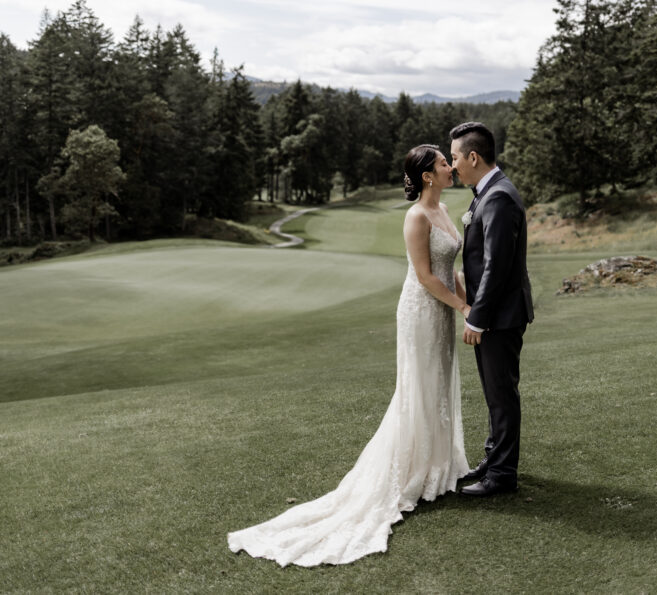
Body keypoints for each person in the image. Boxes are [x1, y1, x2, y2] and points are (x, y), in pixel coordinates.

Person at [227, 144, 470, 567]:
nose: (451, 167)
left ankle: (438, 464)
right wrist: (463, 308)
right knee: (419, 385)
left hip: (443, 310)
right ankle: (414, 471)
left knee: (439, 380)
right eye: (444, 164)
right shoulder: (416, 217)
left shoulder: (446, 211)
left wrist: (471, 303)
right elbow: (426, 276)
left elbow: (452, 270)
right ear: (428, 176)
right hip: (421, 312)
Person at [449, 121, 534, 498]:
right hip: (497, 314)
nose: (452, 166)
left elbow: (496, 267)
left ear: (473, 156)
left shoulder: (497, 196)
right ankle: (493, 458)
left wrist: (477, 317)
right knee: (495, 393)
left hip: (499, 316)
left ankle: (502, 475)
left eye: (454, 157)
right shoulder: (486, 191)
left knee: (501, 395)